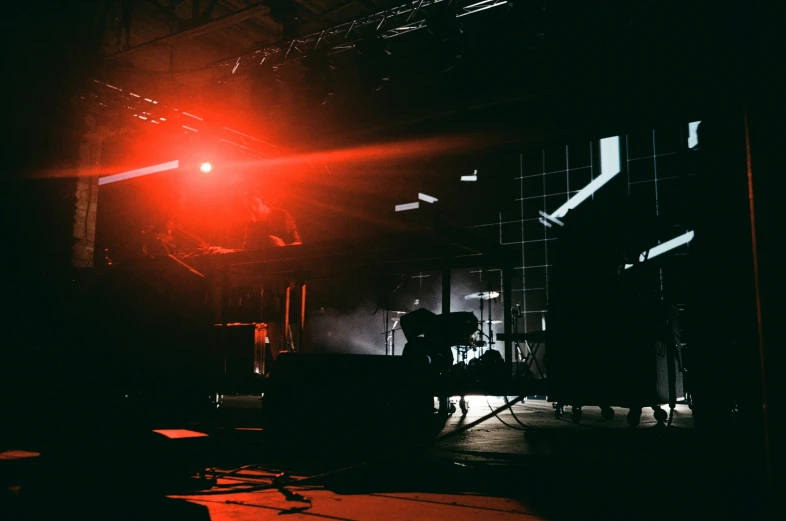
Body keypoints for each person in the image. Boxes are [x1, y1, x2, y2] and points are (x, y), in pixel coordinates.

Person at [241, 190, 303, 373]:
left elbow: (299, 245)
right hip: (266, 280)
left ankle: (298, 364)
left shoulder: (281, 216)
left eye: (254, 203)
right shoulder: (251, 226)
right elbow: (245, 253)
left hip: (288, 277)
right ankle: (279, 366)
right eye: (248, 205)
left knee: (291, 319)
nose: (251, 208)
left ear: (264, 201)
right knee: (271, 321)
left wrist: (282, 247)